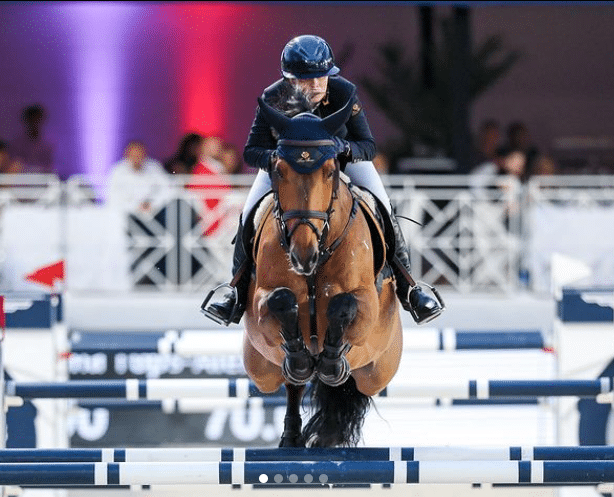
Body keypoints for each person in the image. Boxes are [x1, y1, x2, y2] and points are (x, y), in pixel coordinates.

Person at [203, 34, 443, 326]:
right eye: (307, 80)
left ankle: (409, 288)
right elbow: (252, 151)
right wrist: (278, 159)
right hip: (288, 169)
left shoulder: (344, 93)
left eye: (322, 77)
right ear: (290, 80)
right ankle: (235, 292)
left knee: (382, 206)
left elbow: (368, 146)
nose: (317, 85)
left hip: (338, 164)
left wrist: (344, 149)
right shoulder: (273, 98)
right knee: (249, 214)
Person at [107, 141, 169, 215]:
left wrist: (153, 204)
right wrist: (136, 206)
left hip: (154, 211)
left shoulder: (154, 167)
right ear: (127, 155)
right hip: (126, 213)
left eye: (139, 154)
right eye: (133, 155)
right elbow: (113, 195)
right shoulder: (117, 171)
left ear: (145, 154)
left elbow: (167, 188)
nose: (136, 158)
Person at [9, 104, 54, 174]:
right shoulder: (17, 143)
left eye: (37, 120)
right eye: (32, 120)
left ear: (42, 120)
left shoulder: (51, 142)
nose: (34, 123)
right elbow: (15, 165)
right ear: (26, 121)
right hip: (23, 178)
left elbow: (56, 167)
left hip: (47, 178)